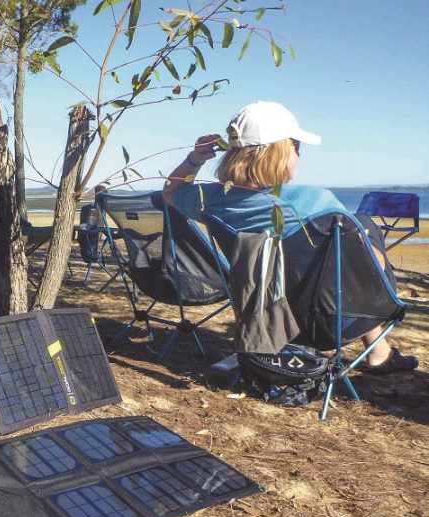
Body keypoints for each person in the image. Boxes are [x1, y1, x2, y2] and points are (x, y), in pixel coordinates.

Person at [162, 100, 418, 374]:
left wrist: (195, 158)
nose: (298, 155)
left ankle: (380, 352)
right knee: (365, 232)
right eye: (296, 147)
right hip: (329, 321)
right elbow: (372, 270)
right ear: (278, 153)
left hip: (265, 316)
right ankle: (379, 352)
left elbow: (169, 193)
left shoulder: (211, 200)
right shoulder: (317, 204)